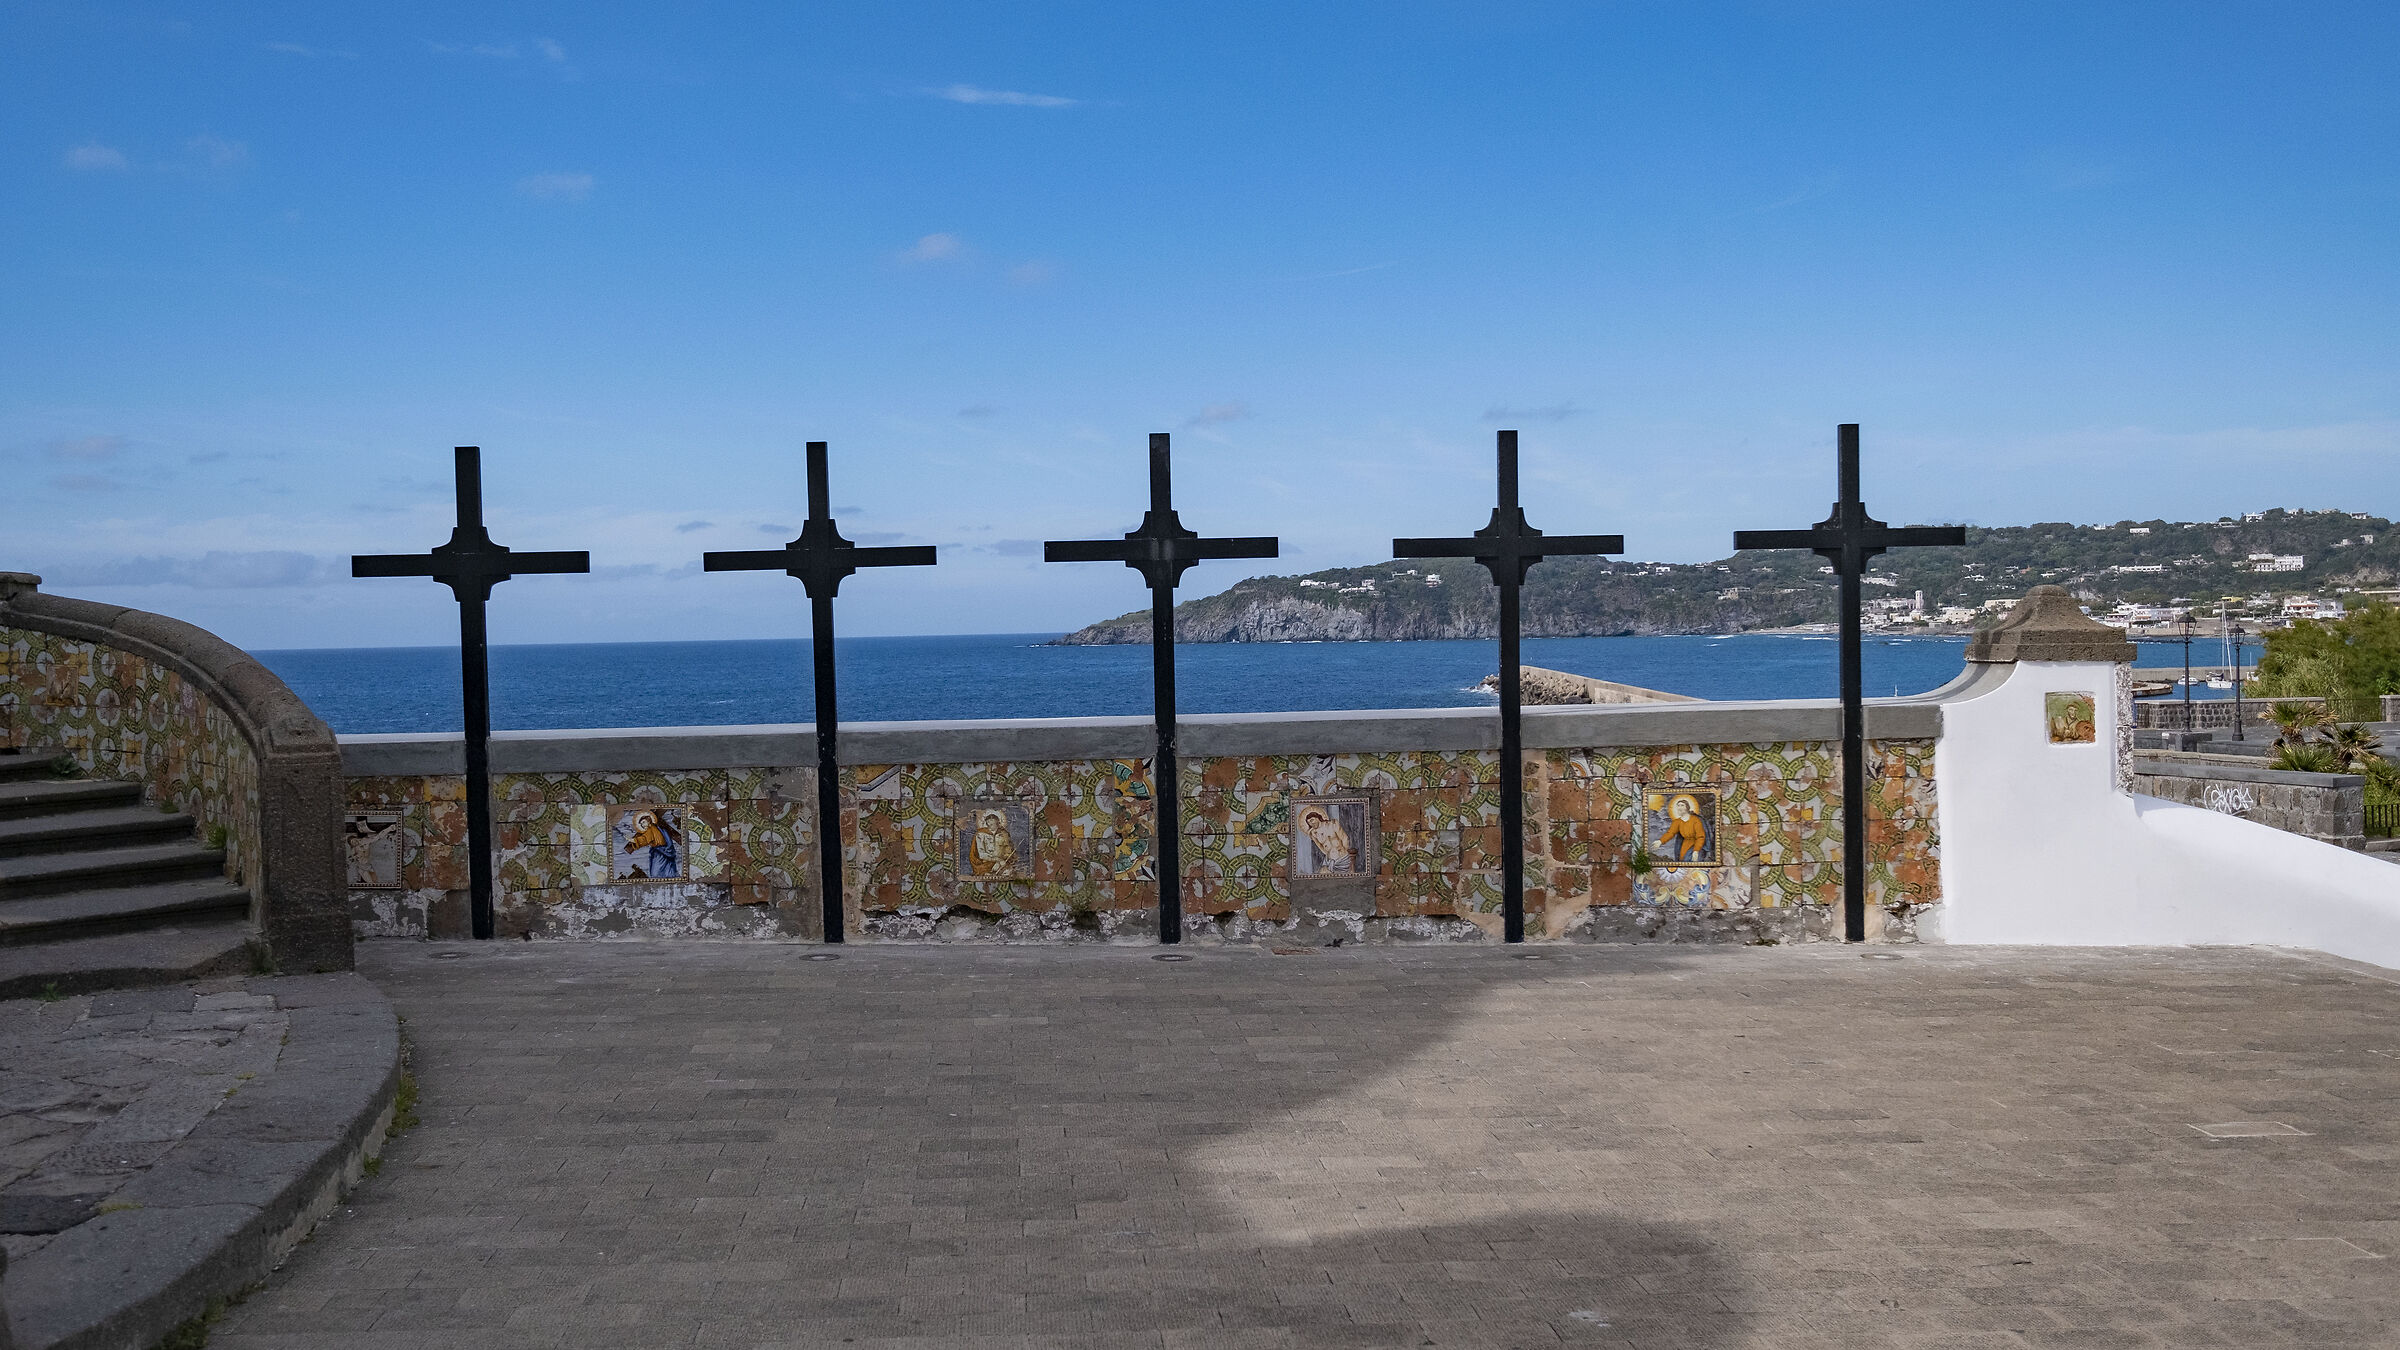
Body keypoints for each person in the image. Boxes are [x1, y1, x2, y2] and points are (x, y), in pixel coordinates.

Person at [1297, 803, 1356, 874]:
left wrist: (1342, 854)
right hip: (1329, 861)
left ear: (1318, 817)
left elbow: (1344, 838)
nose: (1311, 824)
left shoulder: (1332, 824)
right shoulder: (1313, 833)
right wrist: (1330, 856)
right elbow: (1321, 847)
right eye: (1309, 822)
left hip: (1342, 858)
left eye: (1312, 820)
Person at [621, 809, 679, 879]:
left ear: (649, 821)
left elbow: (644, 839)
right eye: (641, 824)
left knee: (655, 872)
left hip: (659, 853)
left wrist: (632, 840)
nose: (642, 825)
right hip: (665, 851)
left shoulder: (650, 829)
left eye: (643, 822)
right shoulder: (657, 828)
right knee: (666, 869)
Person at [1656, 794, 1708, 862]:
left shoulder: (1695, 820)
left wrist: (1696, 850)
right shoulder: (1677, 822)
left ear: (1687, 807)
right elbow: (1670, 833)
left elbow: (1701, 837)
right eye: (1678, 806)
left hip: (1697, 845)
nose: (1679, 808)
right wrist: (1660, 841)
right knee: (1682, 860)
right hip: (1685, 845)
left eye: (1682, 805)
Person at [970, 808, 1019, 875]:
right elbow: (981, 854)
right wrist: (998, 860)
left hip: (1003, 863)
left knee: (1009, 872)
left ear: (998, 822)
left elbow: (1008, 851)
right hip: (985, 864)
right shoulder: (981, 834)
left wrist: (1004, 859)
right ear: (986, 823)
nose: (990, 825)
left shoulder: (1004, 834)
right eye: (989, 823)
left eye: (993, 823)